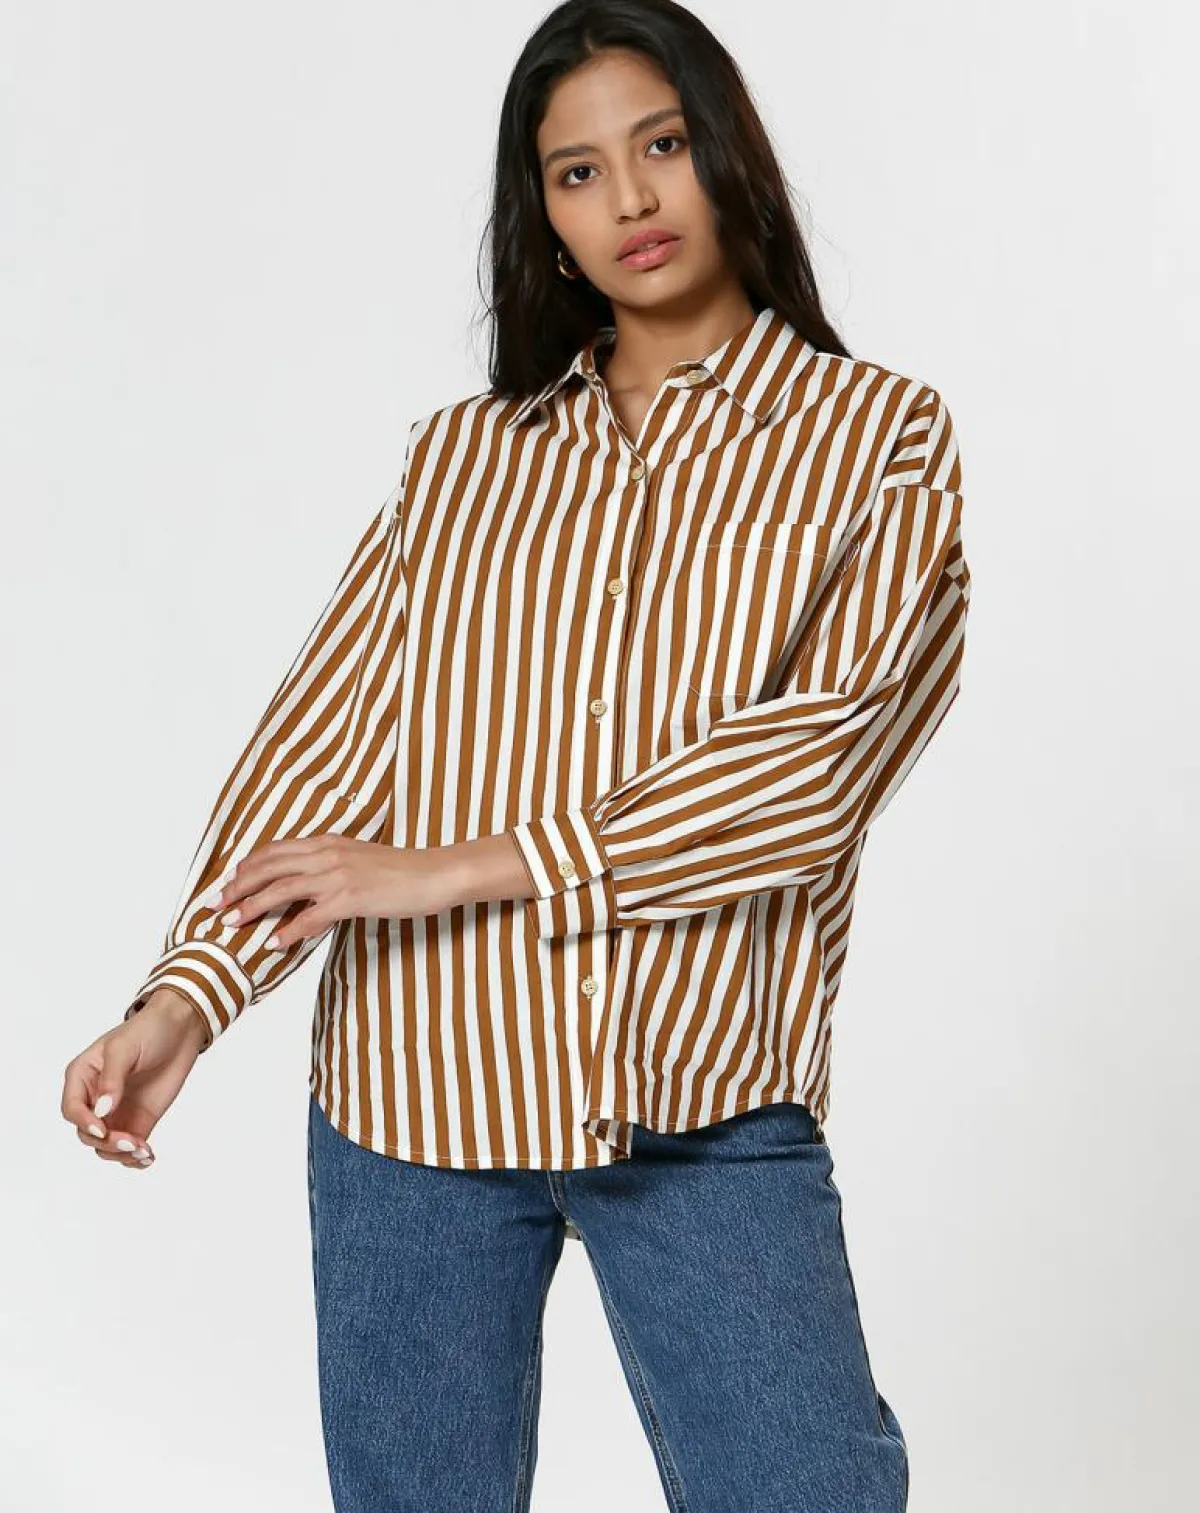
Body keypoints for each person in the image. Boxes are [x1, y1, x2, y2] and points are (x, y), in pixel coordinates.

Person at [60, 2, 971, 1508]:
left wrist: (466, 866)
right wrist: (185, 998)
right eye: (576, 171)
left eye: (662, 145)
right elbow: (324, 744)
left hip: (703, 1099)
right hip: (409, 1099)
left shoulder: (879, 437)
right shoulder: (462, 459)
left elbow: (813, 774)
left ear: (727, 154)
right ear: (541, 216)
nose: (630, 199)